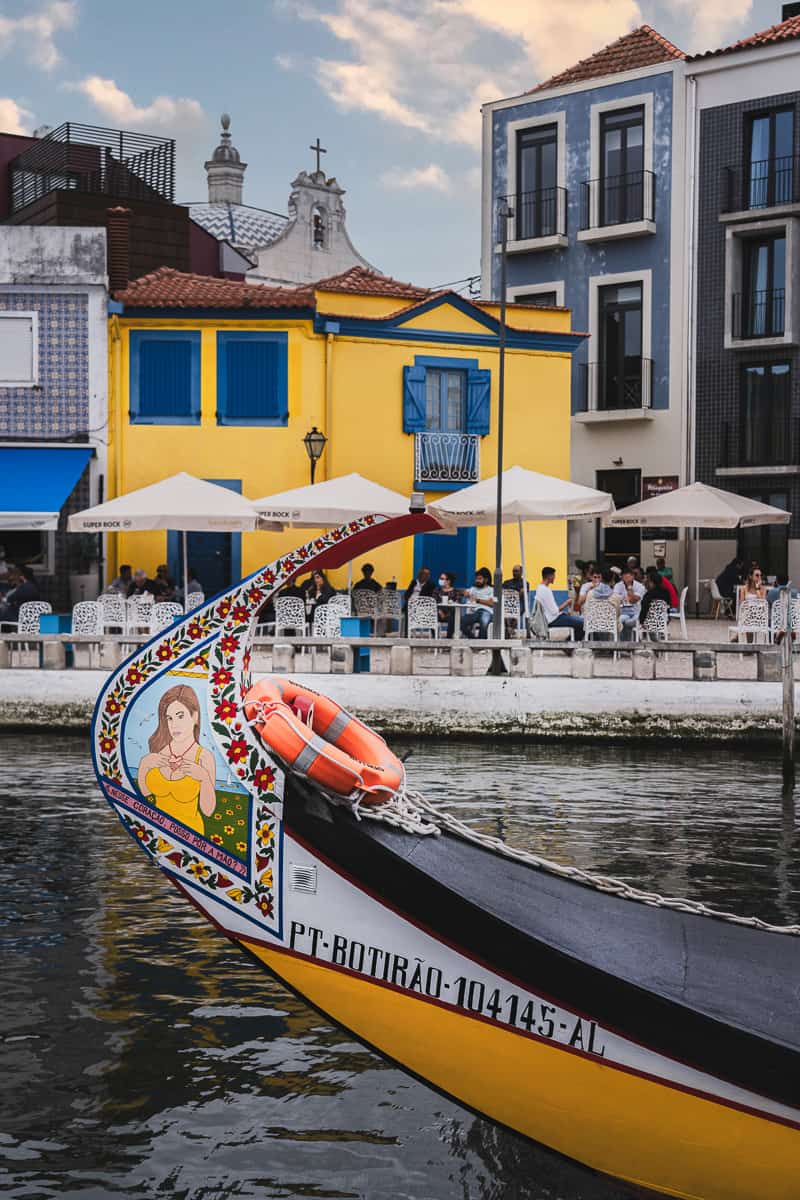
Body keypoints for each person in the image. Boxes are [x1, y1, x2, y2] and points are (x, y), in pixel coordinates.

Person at [137, 684, 216, 835]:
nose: (174, 725)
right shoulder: (159, 750)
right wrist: (144, 766)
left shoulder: (204, 757)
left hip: (191, 837)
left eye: (180, 716)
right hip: (158, 833)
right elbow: (145, 795)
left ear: (195, 717)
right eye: (170, 718)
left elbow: (208, 811)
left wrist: (204, 778)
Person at [534, 566, 583, 640]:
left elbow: (551, 610)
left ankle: (568, 644)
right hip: (552, 620)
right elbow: (554, 611)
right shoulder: (546, 590)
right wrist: (567, 602)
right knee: (582, 624)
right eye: (554, 575)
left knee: (578, 621)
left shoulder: (539, 588)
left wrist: (563, 613)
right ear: (549, 576)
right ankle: (568, 644)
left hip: (550, 618)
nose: (554, 578)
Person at [460, 567, 495, 638]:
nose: (477, 581)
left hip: (487, 612)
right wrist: (465, 593)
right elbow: (464, 592)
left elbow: (492, 603)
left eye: (479, 579)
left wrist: (478, 600)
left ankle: (481, 644)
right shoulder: (473, 589)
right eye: (476, 579)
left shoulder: (491, 590)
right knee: (461, 621)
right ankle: (474, 639)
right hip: (475, 612)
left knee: (484, 622)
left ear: (486, 580)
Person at [614, 568, 646, 641]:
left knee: (628, 623)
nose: (627, 580)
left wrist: (629, 588)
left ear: (633, 577)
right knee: (620, 621)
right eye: (624, 578)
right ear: (621, 577)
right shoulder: (618, 585)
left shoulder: (640, 586)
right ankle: (621, 643)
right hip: (623, 612)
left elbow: (633, 600)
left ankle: (631, 642)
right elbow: (616, 599)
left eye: (628, 577)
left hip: (636, 612)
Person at [436, 570, 459, 637]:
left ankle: (448, 638)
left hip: (450, 614)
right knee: (431, 617)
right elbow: (433, 602)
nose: (440, 580)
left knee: (453, 618)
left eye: (442, 579)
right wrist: (440, 612)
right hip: (438, 613)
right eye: (440, 578)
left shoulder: (455, 592)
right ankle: (435, 637)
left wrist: (446, 615)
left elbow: (457, 603)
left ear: (448, 581)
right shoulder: (437, 590)